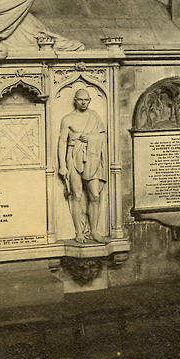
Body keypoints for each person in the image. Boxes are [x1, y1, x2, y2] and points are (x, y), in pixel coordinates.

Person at [58, 89, 108, 244]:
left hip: (92, 156)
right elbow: (62, 142)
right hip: (73, 156)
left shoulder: (94, 116)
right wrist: (62, 166)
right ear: (75, 100)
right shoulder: (68, 119)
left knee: (95, 195)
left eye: (86, 100)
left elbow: (103, 135)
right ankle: (79, 231)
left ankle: (94, 231)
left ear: (90, 100)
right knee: (77, 195)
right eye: (80, 99)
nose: (84, 102)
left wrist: (92, 138)